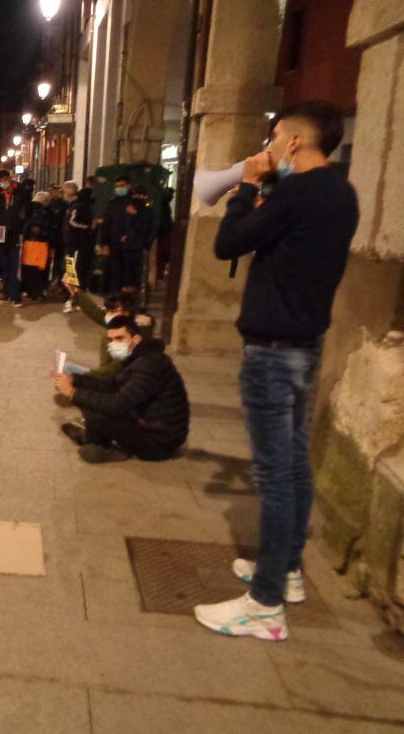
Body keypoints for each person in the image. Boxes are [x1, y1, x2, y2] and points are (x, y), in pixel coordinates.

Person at [194, 101, 359, 641]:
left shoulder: (295, 192)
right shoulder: (341, 192)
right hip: (306, 344)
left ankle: (264, 606)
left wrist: (245, 186)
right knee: (294, 465)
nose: (265, 150)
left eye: (272, 140)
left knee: (274, 476)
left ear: (292, 142)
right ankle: (285, 571)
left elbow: (227, 244)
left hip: (270, 351)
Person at [54, 315, 189, 464]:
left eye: (120, 339)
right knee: (90, 395)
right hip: (145, 423)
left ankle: (104, 448)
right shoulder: (139, 357)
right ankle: (94, 441)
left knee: (94, 407)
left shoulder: (149, 365)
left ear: (136, 339)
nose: (114, 344)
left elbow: (117, 405)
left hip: (159, 443)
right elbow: (112, 385)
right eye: (111, 340)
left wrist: (72, 393)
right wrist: (76, 380)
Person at [0, 169, 31, 306]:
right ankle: (7, 292)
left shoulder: (22, 193)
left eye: (4, 179)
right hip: (1, 234)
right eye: (0, 181)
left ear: (9, 178)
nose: (3, 183)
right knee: (4, 264)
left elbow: (25, 214)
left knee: (15, 265)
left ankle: (15, 295)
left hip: (16, 235)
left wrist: (20, 229)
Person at [62, 180, 95, 312]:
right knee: (71, 273)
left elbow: (72, 222)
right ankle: (74, 299)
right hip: (72, 244)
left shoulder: (77, 206)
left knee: (71, 274)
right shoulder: (75, 206)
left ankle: (73, 299)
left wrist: (87, 227)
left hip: (75, 245)